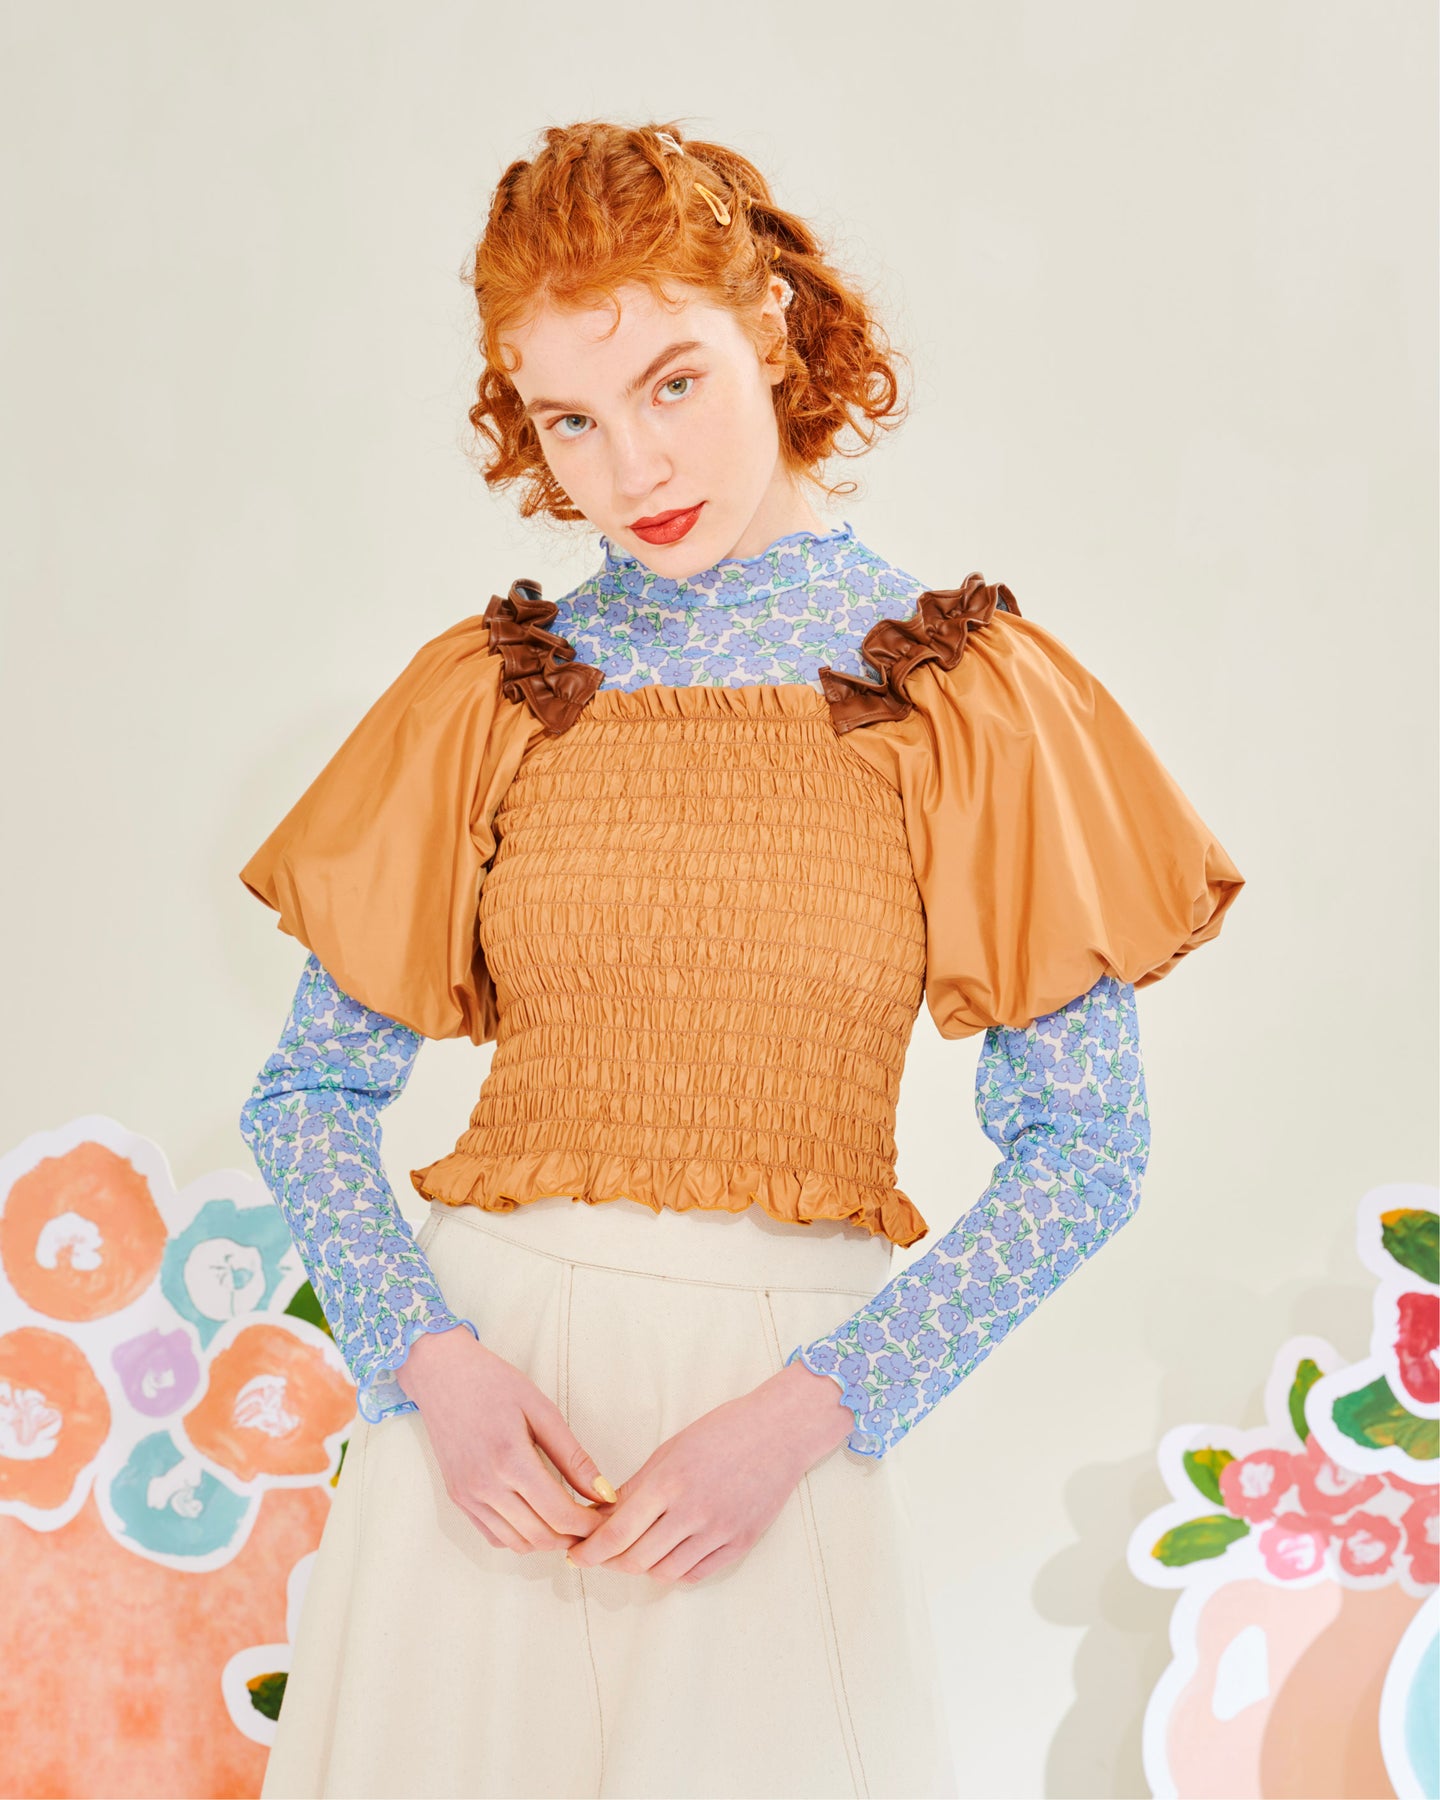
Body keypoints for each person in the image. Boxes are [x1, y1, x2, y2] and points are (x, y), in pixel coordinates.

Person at [236, 120, 1244, 1800]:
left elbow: (1087, 1153)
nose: (630, 466)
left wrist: (813, 1415)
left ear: (770, 327)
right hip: (483, 1436)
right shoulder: (490, 694)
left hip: (773, 1439)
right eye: (570, 419)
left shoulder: (968, 699)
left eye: (673, 383)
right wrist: (427, 1367)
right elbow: (307, 1095)